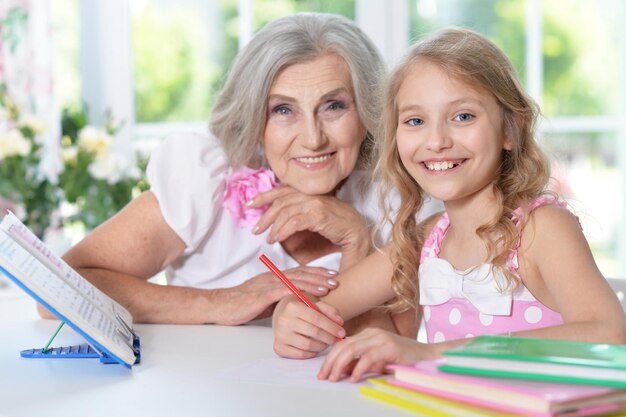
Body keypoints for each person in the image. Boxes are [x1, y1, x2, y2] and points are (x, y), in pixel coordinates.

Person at [38, 13, 440, 326]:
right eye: (283, 110)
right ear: (254, 121)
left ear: (368, 112)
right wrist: (218, 302)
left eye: (334, 106)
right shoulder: (207, 182)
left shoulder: (399, 203)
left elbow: (386, 351)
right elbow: (54, 289)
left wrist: (357, 237)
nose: (313, 138)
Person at [272, 27, 626, 381]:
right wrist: (290, 316)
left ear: (510, 129)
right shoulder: (428, 238)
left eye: (463, 116)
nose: (437, 140)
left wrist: (428, 354)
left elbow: (611, 336)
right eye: (415, 121)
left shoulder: (542, 228)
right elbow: (321, 305)